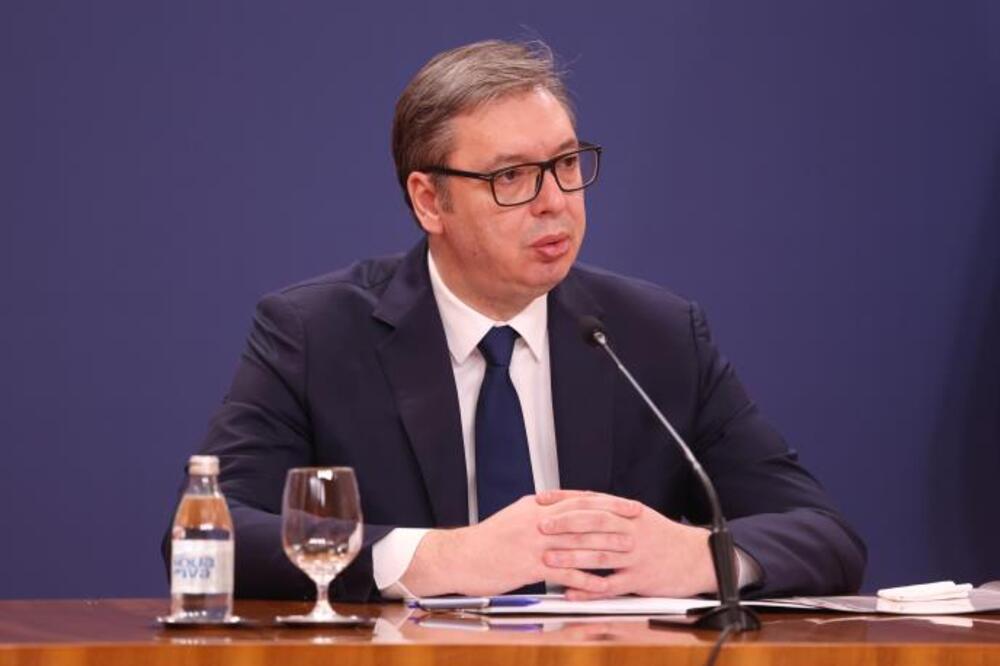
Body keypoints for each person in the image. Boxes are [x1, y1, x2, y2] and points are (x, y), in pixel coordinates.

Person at [164, 39, 865, 602]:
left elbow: (825, 536)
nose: (554, 201)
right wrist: (440, 558)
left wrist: (699, 556)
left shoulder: (655, 336)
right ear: (429, 201)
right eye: (511, 177)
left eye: (566, 163)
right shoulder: (315, 333)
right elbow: (206, 536)